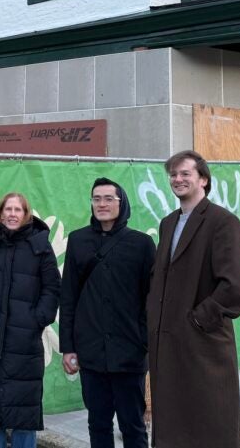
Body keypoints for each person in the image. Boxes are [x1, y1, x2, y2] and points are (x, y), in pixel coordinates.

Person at [147, 150, 240, 448]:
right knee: (172, 421)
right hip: (166, 342)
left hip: (202, 342)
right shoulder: (168, 223)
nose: (177, 179)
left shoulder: (222, 221)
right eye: (173, 175)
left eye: (185, 174)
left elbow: (234, 289)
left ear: (203, 179)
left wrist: (196, 321)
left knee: (210, 420)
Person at [59, 177, 155, 448]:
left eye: (108, 199)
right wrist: (69, 347)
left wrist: (143, 340)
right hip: (91, 353)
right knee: (97, 424)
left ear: (121, 203)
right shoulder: (78, 240)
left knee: (133, 425)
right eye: (96, 199)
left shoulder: (142, 244)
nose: (102, 204)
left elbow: (152, 298)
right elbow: (69, 298)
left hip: (130, 352)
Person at [0, 192, 61, 448]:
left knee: (23, 417)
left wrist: (38, 319)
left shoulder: (40, 246)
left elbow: (53, 289)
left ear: (26, 214)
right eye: (8, 209)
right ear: (1, 213)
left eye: (18, 209)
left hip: (24, 344)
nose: (13, 214)